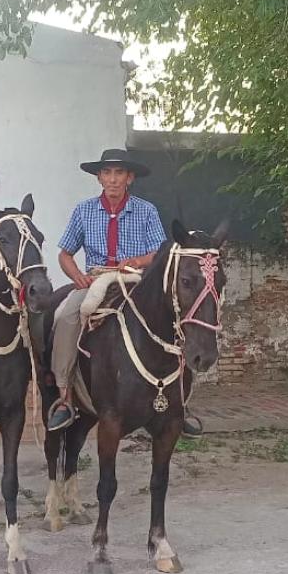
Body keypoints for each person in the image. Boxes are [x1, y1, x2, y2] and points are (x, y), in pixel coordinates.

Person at [46, 149, 203, 435]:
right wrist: (77, 276)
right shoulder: (84, 210)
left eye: (119, 173)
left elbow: (159, 251)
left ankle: (181, 399)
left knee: (176, 318)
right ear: (99, 177)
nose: (113, 179)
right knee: (68, 316)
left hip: (137, 281)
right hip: (97, 279)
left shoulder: (146, 210)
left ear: (130, 178)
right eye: (107, 173)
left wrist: (138, 261)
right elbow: (64, 255)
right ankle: (64, 397)